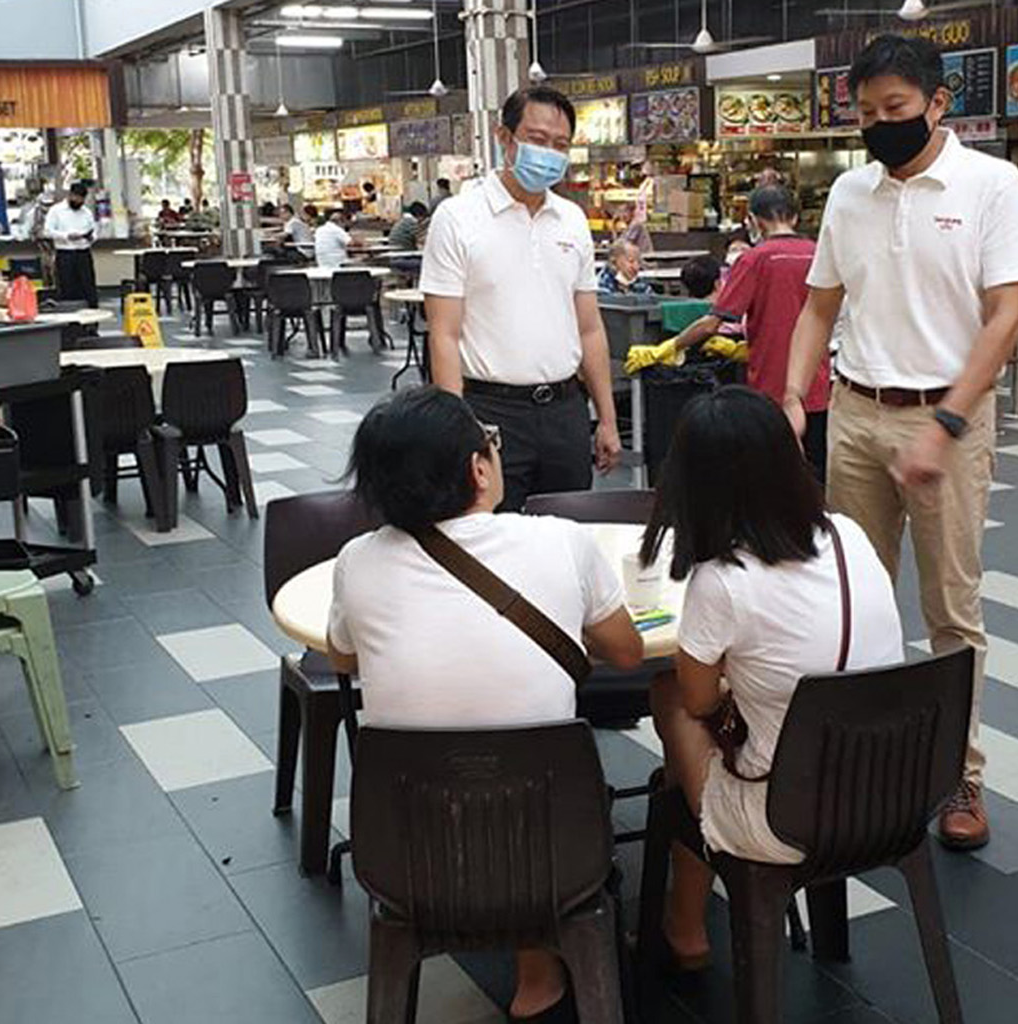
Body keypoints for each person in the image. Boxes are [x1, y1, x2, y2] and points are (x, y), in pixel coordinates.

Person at [784, 35, 1018, 850]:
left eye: (894, 110)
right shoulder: (849, 195)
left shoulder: (991, 185)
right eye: (865, 114)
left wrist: (950, 423)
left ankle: (962, 774)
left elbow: (1007, 315)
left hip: (949, 419)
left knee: (950, 609)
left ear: (937, 103)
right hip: (856, 412)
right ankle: (856, 759)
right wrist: (795, 394)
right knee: (850, 597)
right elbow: (820, 305)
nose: (878, 126)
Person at [325, 385, 643, 1020]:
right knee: (525, 767)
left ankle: (531, 968)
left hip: (405, 850)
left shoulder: (356, 562)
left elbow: (342, 657)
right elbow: (628, 654)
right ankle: (539, 970)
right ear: (478, 468)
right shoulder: (561, 543)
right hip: (556, 849)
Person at [640, 386, 902, 967]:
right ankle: (688, 921)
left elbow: (699, 700)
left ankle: (686, 929)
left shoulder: (722, 579)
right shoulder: (848, 536)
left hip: (786, 818)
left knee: (672, 702)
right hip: (893, 794)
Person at [421, 85, 622, 511]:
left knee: (566, 538)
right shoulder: (458, 218)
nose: (549, 152)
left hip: (566, 410)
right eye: (536, 139)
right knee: (492, 542)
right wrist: (457, 434)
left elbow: (589, 327)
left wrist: (606, 417)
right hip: (489, 412)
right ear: (504, 137)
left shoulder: (571, 219)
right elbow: (443, 334)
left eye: (560, 144)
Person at [668, 186, 830, 478]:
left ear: (754, 220)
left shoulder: (755, 259)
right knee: (813, 478)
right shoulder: (819, 254)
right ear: (794, 217)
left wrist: (670, 347)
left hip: (769, 389)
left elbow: (712, 322)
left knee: (772, 480)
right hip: (817, 385)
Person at [44, 182, 99, 308]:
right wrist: (66, 236)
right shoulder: (56, 211)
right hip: (65, 254)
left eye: (82, 199)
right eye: (76, 198)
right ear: (70, 195)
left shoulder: (86, 212)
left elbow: (94, 230)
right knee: (67, 286)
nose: (79, 201)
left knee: (88, 287)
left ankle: (91, 320)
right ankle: (70, 319)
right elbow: (47, 231)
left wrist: (91, 237)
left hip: (83, 253)